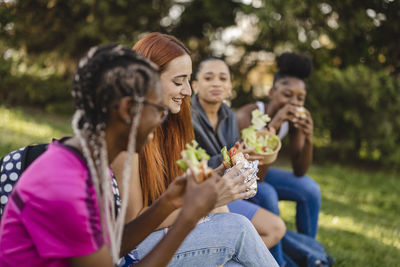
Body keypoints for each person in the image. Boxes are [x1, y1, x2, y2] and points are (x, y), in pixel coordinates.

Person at [0, 44, 223, 267]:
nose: (159, 121)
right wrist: (188, 219)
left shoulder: (84, 162)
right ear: (128, 110)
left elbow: (110, 248)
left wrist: (168, 202)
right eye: (158, 110)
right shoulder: (64, 186)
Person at [114, 33, 278, 266]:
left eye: (189, 81)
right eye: (179, 82)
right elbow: (131, 229)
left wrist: (220, 171)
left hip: (157, 237)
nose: (189, 91)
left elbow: (169, 193)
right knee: (238, 228)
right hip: (130, 252)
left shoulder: (168, 127)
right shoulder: (127, 137)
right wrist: (206, 203)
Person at [190, 56, 287, 265]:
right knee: (271, 215)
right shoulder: (187, 118)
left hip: (231, 182)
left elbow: (236, 156)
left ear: (230, 86)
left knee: (267, 193)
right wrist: (233, 156)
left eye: (223, 78)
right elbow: (192, 165)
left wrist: (247, 153)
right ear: (195, 85)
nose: (216, 83)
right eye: (209, 78)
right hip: (206, 189)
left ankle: (276, 260)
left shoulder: (229, 115)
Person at [236, 52, 321, 240]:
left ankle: (309, 250)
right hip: (241, 179)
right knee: (268, 193)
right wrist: (273, 125)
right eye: (287, 95)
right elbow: (257, 177)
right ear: (271, 93)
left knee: (310, 189)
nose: (293, 102)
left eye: (300, 98)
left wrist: (309, 137)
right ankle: (277, 259)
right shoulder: (247, 116)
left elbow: (300, 170)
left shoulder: (292, 121)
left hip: (259, 175)